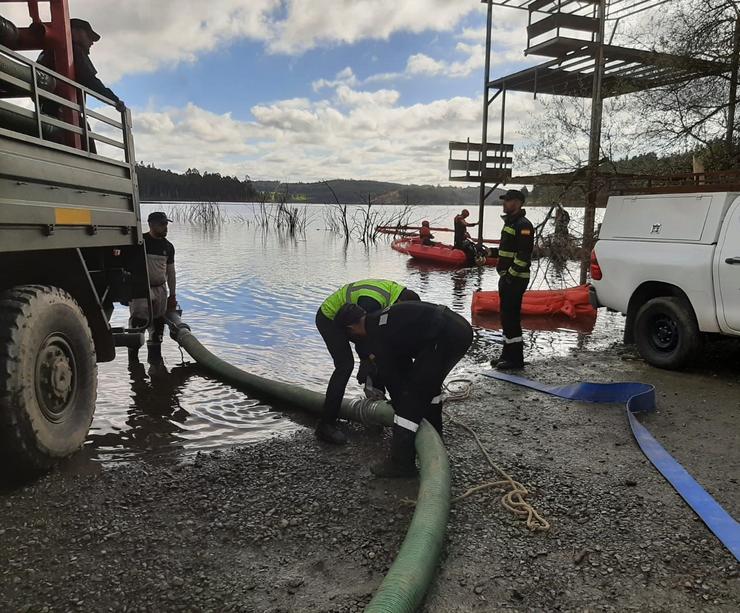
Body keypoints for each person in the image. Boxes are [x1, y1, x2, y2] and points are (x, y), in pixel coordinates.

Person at [336, 301, 473, 478]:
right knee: (427, 388)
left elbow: (394, 380)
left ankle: (401, 464)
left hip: (445, 337)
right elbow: (404, 365)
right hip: (457, 328)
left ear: (351, 327)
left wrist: (403, 406)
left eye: (349, 334)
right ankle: (434, 440)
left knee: (410, 400)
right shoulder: (380, 321)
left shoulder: (378, 335)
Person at [316, 279, 420, 445]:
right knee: (345, 366)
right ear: (400, 303)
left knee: (381, 354)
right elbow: (365, 336)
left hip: (352, 318)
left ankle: (382, 408)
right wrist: (366, 359)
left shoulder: (395, 296)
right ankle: (325, 425)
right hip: (330, 319)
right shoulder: (372, 303)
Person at [37, 18, 125, 152]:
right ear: (74, 32)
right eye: (89, 36)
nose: (92, 43)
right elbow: (90, 81)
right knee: (86, 138)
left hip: (45, 112)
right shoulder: (74, 51)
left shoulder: (47, 51)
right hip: (64, 114)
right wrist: (115, 100)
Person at [491, 189, 534, 370]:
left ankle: (515, 360)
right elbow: (507, 251)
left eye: (507, 201)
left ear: (517, 203)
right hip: (508, 278)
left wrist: (510, 276)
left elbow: (523, 255)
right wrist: (489, 252)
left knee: (511, 318)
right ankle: (507, 355)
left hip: (515, 279)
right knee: (506, 318)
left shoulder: (523, 225)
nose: (504, 203)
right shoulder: (511, 223)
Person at [128, 212, 177, 365]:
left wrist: (173, 295)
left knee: (158, 325)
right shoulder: (140, 243)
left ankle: (155, 360)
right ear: (151, 225)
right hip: (140, 289)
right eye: (162, 224)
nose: (165, 227)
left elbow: (171, 272)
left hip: (160, 289)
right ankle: (134, 363)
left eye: (166, 224)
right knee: (138, 324)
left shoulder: (168, 247)